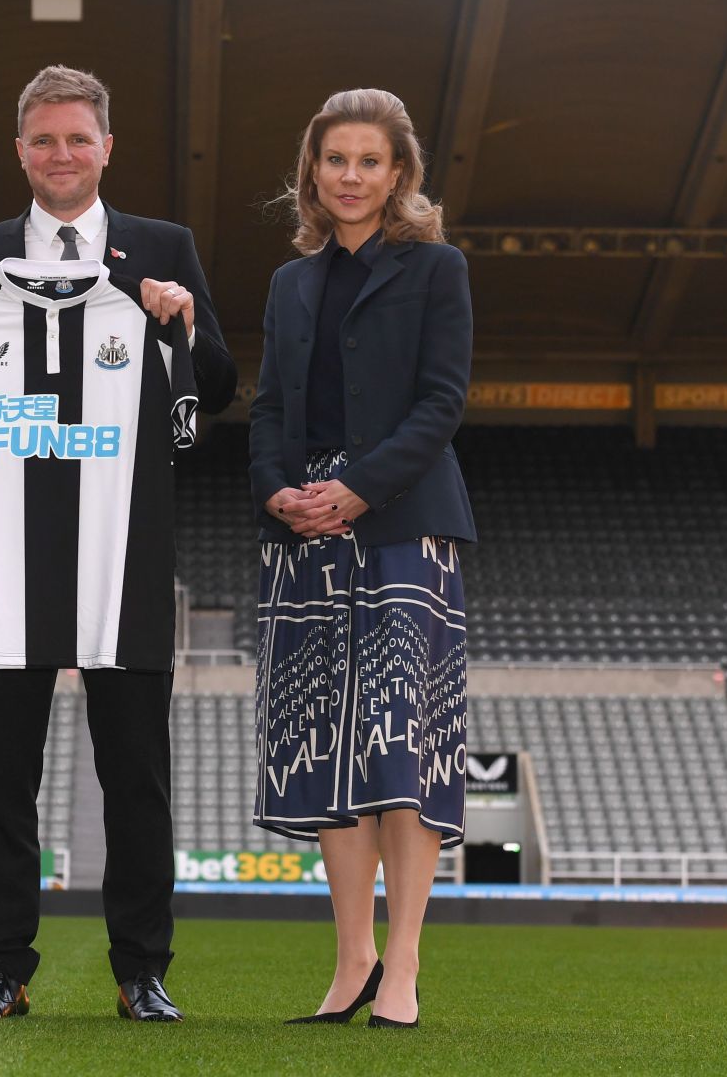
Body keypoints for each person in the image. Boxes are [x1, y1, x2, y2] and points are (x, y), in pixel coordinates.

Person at [0, 64, 237, 1023]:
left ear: (106, 147)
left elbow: (214, 388)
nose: (61, 155)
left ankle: (143, 970)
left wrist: (180, 319)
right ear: (20, 151)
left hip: (120, 555)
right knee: (1, 779)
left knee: (135, 776)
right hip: (2, 556)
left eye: (77, 138)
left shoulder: (160, 248)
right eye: (43, 140)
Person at [247, 88, 475, 1029]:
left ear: (399, 174)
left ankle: (407, 967)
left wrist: (359, 489)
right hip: (302, 533)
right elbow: (265, 409)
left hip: (401, 521)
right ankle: (352, 965)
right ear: (312, 169)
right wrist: (277, 490)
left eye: (369, 161)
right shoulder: (289, 284)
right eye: (335, 159)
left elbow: (441, 400)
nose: (350, 176)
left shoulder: (436, 269)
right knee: (325, 753)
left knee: (399, 750)